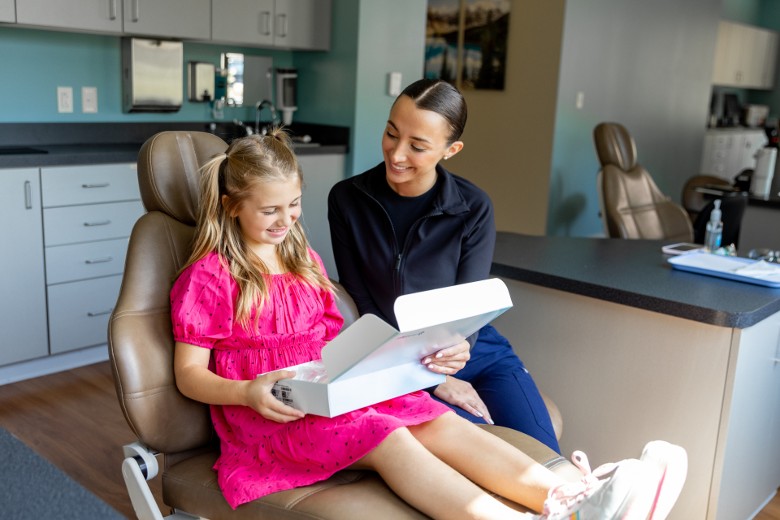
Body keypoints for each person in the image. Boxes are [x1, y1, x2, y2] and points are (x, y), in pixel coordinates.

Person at [170, 130, 686, 519]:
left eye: (295, 207)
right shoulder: (210, 278)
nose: (286, 221)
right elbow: (189, 374)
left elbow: (333, 337)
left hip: (328, 388)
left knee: (431, 415)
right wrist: (246, 393)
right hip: (269, 418)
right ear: (230, 206)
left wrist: (384, 360)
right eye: (270, 211)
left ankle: (574, 499)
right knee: (389, 435)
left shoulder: (301, 257)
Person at [328, 78, 560, 452]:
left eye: (418, 146)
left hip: (475, 351)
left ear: (451, 150)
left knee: (543, 449)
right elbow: (363, 304)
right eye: (391, 133)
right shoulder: (347, 200)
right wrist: (428, 378)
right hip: (398, 359)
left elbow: (468, 307)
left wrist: (458, 352)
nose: (397, 154)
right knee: (486, 453)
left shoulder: (474, 208)